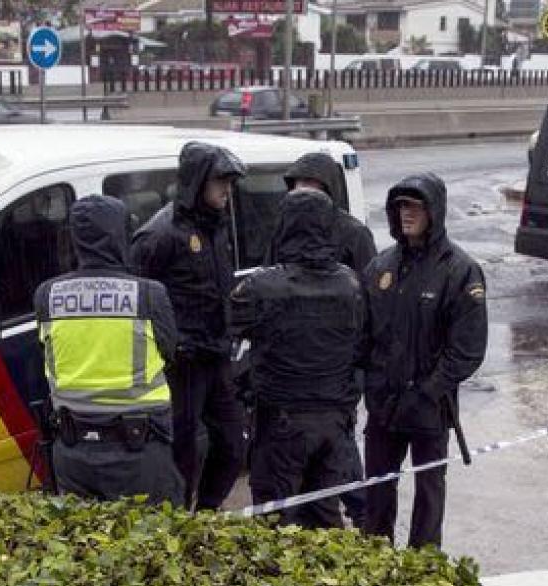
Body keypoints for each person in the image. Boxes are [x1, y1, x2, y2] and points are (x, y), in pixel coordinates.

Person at [361, 174, 487, 550]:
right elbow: (364, 336)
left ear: (434, 211)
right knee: (378, 492)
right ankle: (376, 560)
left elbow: (467, 350)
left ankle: (423, 567)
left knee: (429, 493)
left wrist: (427, 392)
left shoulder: (460, 270)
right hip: (384, 407)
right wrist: (372, 387)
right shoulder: (381, 267)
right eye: (401, 206)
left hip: (430, 408)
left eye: (414, 206)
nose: (406, 214)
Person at [35, 195, 185, 506]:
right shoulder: (148, 294)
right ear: (121, 234)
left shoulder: (47, 295)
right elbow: (171, 352)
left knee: (84, 544)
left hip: (73, 452)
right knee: (152, 543)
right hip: (137, 451)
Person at [232, 190, 369, 529]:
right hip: (335, 424)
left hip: (283, 424)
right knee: (324, 516)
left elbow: (226, 339)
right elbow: (362, 348)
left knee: (275, 525)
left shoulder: (261, 287)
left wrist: (246, 385)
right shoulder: (350, 284)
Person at [264, 151, 380, 526]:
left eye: (311, 186)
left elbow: (369, 308)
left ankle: (366, 520)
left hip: (338, 370)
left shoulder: (353, 235)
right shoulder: (284, 227)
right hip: (292, 371)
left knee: (342, 457)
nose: (303, 192)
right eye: (297, 186)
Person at [129, 141, 247, 510]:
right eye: (220, 182)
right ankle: (178, 520)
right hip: (181, 364)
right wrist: (170, 345)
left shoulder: (216, 227)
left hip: (217, 357)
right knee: (182, 450)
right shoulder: (161, 234)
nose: (227, 190)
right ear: (198, 182)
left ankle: (208, 510)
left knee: (232, 445)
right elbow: (137, 297)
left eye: (229, 182)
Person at [264, 152, 377, 273]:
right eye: (298, 181)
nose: (301, 187)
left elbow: (369, 281)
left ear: (327, 187)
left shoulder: (355, 233)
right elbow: (269, 271)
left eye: (308, 181)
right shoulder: (286, 226)